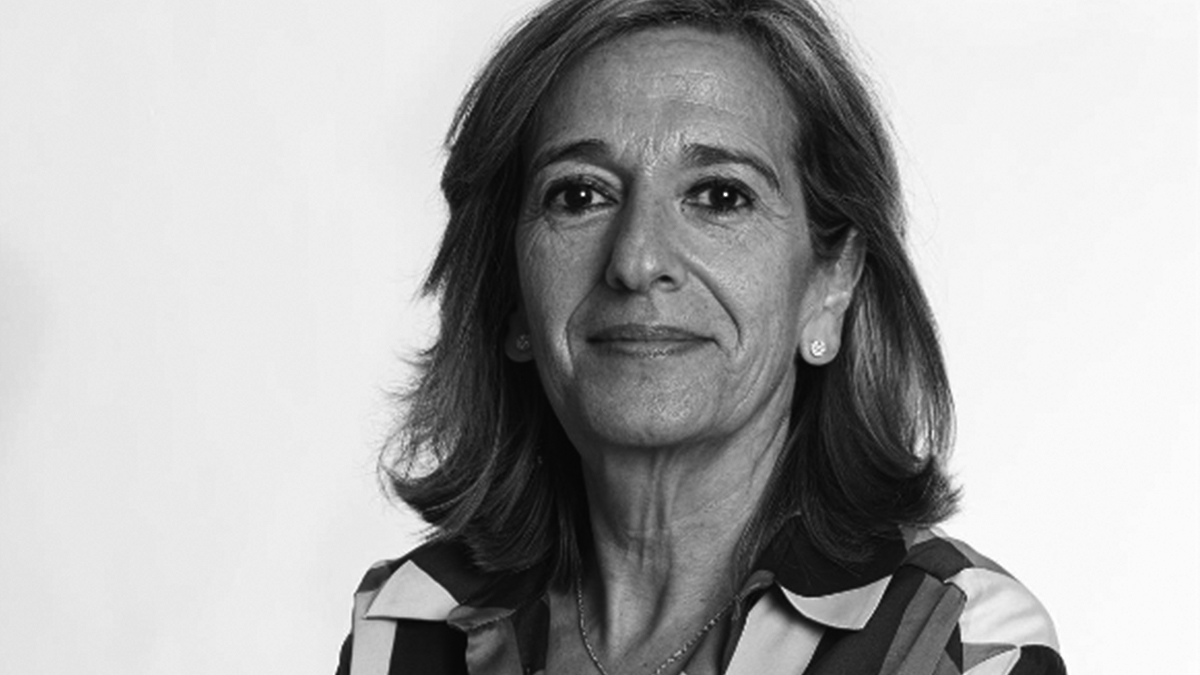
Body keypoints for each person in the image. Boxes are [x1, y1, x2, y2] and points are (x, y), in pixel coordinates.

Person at [336, 0, 1065, 673]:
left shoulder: (957, 641)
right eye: (580, 194)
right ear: (511, 288)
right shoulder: (404, 626)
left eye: (720, 195)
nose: (637, 260)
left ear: (829, 284)